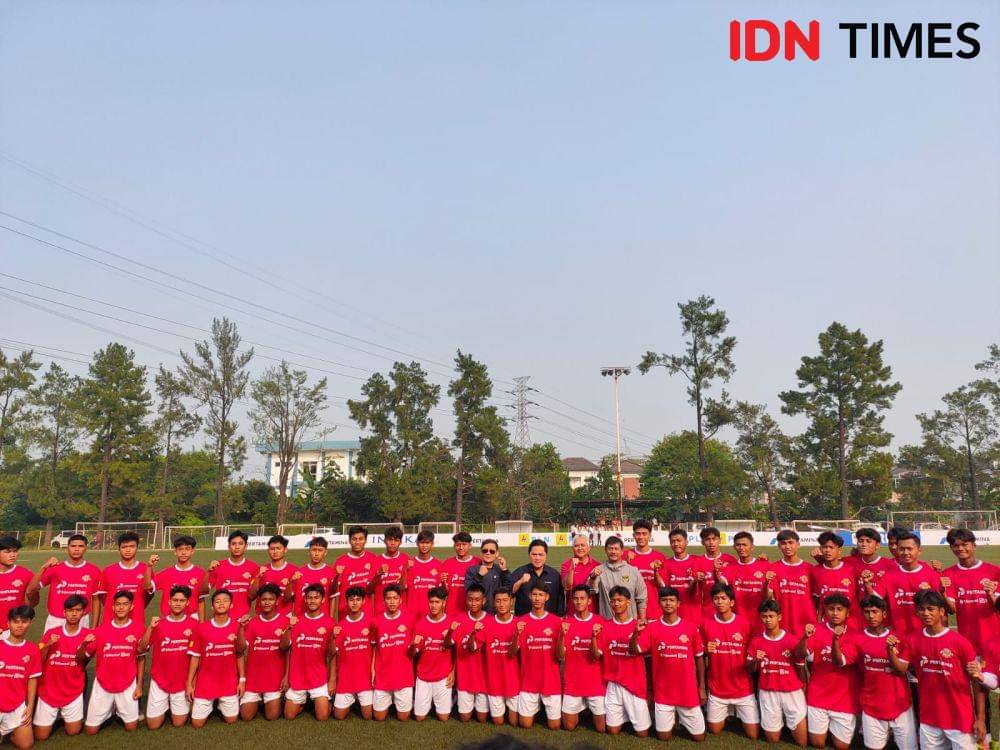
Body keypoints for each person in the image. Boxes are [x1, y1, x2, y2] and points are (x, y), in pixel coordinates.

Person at [905, 589, 985, 750]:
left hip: (960, 719)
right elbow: (901, 667)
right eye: (921, 609)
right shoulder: (913, 639)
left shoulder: (960, 642)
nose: (926, 613)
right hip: (929, 718)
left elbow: (977, 682)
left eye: (931, 609)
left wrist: (981, 719)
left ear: (942, 611)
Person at [634, 586, 706, 742]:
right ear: (659, 603)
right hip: (663, 691)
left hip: (687, 691)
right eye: (664, 600)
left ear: (679, 603)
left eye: (672, 600)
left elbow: (699, 658)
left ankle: (681, 717)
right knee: (663, 737)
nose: (668, 603)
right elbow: (637, 650)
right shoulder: (652, 627)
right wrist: (635, 633)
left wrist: (701, 687)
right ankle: (672, 718)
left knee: (699, 737)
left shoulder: (691, 628)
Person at [850, 594, 917, 750]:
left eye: (875, 611)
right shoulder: (857, 638)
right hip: (871, 704)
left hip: (900, 705)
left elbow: (901, 671)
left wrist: (891, 652)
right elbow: (843, 662)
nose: (871, 616)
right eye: (867, 612)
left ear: (884, 614)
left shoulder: (899, 638)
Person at [797, 594, 860, 750]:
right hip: (818, 695)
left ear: (848, 613)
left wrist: (835, 640)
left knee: (841, 746)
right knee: (817, 743)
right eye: (831, 609)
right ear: (825, 611)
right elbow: (800, 654)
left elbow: (840, 662)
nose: (835, 613)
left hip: (844, 699)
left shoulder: (855, 634)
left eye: (840, 609)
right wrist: (805, 638)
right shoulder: (816, 629)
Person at [80, 590, 145, 734]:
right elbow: (83, 657)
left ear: (132, 607)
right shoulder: (100, 630)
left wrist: (139, 685)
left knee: (131, 728)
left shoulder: (139, 628)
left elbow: (141, 658)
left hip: (127, 683)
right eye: (118, 604)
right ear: (113, 607)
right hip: (103, 683)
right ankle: (111, 709)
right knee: (90, 730)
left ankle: (117, 708)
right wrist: (83, 645)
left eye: (125, 604)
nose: (121, 607)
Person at [701, 583, 759, 739]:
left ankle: (738, 711)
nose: (719, 602)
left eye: (723, 598)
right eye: (716, 599)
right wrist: (706, 649)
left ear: (732, 602)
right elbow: (699, 651)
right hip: (718, 688)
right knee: (714, 729)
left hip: (743, 688)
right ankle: (728, 712)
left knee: (753, 735)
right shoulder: (705, 623)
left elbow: (752, 654)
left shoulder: (745, 624)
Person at [592, 586, 650, 737]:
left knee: (642, 733)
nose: (616, 604)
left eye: (620, 600)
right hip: (613, 684)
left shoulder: (640, 626)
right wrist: (593, 638)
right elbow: (597, 655)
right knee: (612, 730)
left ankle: (633, 717)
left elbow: (635, 650)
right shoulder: (605, 626)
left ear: (628, 602)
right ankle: (625, 717)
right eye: (613, 601)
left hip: (634, 683)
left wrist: (636, 632)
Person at [747, 599, 807, 747]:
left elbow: (800, 667)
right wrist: (754, 659)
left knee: (802, 742)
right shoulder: (756, 641)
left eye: (771, 616)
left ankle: (790, 721)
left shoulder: (792, 640)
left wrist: (804, 686)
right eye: (764, 616)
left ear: (779, 617)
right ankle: (781, 722)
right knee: (772, 739)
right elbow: (749, 669)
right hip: (768, 692)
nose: (767, 620)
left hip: (791, 692)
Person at [34, 595, 88, 740]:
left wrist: (84, 645)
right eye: (70, 610)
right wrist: (48, 645)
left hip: (73, 691)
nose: (74, 614)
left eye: (78, 610)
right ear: (64, 613)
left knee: (73, 731)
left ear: (83, 612)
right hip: (49, 690)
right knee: (40, 736)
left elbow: (82, 661)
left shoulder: (87, 635)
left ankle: (66, 714)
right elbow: (39, 660)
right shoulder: (51, 633)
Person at [186, 589, 243, 727]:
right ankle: (211, 703)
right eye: (217, 601)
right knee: (197, 724)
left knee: (231, 720)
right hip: (206, 683)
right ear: (212, 607)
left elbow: (240, 654)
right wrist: (189, 682)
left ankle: (219, 703)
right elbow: (195, 657)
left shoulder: (237, 626)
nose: (221, 603)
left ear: (231, 605)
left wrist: (242, 680)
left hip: (228, 682)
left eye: (225, 601)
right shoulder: (201, 628)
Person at [141, 585, 196, 729]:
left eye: (182, 601)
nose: (178, 603)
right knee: (153, 725)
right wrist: (150, 628)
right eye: (175, 600)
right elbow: (141, 648)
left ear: (187, 603)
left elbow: (198, 656)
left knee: (178, 723)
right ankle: (165, 705)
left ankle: (177, 704)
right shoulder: (158, 624)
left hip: (182, 681)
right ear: (169, 602)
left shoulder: (194, 624)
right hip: (160, 679)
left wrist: (192, 682)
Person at [511, 581, 561, 730]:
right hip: (529, 681)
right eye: (534, 595)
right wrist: (516, 635)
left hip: (550, 681)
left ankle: (541, 707)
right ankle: (536, 707)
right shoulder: (522, 622)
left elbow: (560, 656)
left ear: (547, 597)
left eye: (541, 595)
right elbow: (513, 652)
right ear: (529, 596)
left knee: (555, 726)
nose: (537, 598)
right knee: (525, 725)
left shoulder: (556, 622)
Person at [942, 527, 1000, 656]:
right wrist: (943, 593)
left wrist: (990, 594)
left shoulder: (994, 571)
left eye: (964, 544)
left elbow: (998, 608)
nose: (960, 548)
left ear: (974, 545)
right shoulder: (948, 574)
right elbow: (953, 609)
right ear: (951, 548)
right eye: (955, 545)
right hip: (968, 641)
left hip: (995, 639)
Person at [877, 531, 943, 640]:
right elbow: (875, 599)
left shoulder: (931, 574)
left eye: (909, 549)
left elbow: (941, 608)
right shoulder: (888, 575)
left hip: (927, 635)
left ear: (919, 551)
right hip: (899, 636)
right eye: (902, 549)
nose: (905, 552)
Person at [283, 583, 335, 721]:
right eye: (309, 598)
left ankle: (326, 703)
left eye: (316, 598)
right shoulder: (296, 621)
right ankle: (305, 702)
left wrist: (332, 680)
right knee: (288, 716)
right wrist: (288, 628)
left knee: (322, 716)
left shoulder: (329, 623)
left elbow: (333, 655)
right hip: (298, 677)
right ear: (305, 600)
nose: (312, 600)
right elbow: (286, 648)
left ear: (323, 600)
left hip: (318, 677)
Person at [237, 583, 288, 722]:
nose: (267, 602)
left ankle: (282, 699)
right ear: (259, 601)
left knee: (271, 717)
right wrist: (241, 629)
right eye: (264, 599)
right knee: (246, 716)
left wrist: (286, 676)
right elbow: (240, 649)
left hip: (274, 678)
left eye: (271, 599)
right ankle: (259, 699)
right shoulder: (252, 622)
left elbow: (289, 651)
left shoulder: (285, 622)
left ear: (277, 601)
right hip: (254, 679)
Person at [27, 535, 100, 631]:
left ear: (86, 548)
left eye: (80, 546)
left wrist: (94, 627)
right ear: (67, 548)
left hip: (81, 619)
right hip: (56, 620)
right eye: (73, 546)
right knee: (49, 645)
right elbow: (31, 590)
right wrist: (44, 567)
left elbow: (95, 600)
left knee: (80, 646)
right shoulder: (55, 569)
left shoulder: (94, 570)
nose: (77, 549)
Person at [559, 584, 605, 732]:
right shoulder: (567, 623)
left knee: (602, 728)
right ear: (572, 601)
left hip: (595, 684)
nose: (579, 602)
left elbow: (596, 656)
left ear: (589, 601)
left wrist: (593, 638)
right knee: (569, 726)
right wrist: (562, 636)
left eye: (582, 598)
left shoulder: (600, 622)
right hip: (573, 683)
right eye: (576, 599)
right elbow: (560, 656)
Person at [477, 587, 520, 726]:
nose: (501, 604)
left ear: (512, 602)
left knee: (515, 722)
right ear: (494, 603)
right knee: (498, 722)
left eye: (505, 600)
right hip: (494, 681)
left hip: (514, 681)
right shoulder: (487, 623)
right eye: (498, 601)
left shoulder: (519, 624)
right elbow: (473, 648)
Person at [411, 586, 455, 721]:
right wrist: (413, 645)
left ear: (444, 602)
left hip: (443, 676)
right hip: (423, 676)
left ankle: (453, 696)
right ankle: (426, 699)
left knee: (443, 718)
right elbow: (413, 654)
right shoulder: (420, 624)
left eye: (437, 602)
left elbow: (456, 651)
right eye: (431, 602)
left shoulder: (451, 623)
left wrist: (453, 671)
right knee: (419, 717)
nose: (434, 605)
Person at [372, 584, 414, 722]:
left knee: (403, 718)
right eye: (388, 598)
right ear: (384, 601)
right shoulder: (376, 621)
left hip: (403, 675)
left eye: (395, 598)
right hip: (383, 675)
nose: (392, 601)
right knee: (378, 717)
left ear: (400, 600)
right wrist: (373, 669)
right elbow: (374, 647)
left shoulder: (409, 619)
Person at [0, 605, 40, 750]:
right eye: (15, 622)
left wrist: (29, 706)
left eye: (23, 621)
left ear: (30, 623)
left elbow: (33, 679)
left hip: (16, 705)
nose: (19, 625)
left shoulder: (33, 650)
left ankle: (9, 732)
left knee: (26, 744)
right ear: (8, 623)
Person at [332, 586, 374, 719]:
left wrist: (374, 670)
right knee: (338, 715)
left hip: (365, 678)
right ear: (347, 602)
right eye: (351, 600)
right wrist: (333, 678)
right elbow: (334, 654)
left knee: (368, 716)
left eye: (358, 599)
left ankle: (360, 699)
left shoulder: (371, 622)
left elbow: (376, 648)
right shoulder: (341, 626)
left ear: (363, 602)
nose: (355, 602)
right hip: (346, 678)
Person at [763, 529, 814, 636]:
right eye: (783, 543)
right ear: (779, 546)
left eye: (791, 542)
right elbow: (769, 597)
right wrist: (766, 582)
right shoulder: (773, 568)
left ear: (798, 544)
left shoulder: (809, 568)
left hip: (806, 622)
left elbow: (817, 598)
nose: (787, 546)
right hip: (783, 622)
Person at [450, 584, 489, 722]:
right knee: (465, 718)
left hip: (483, 678)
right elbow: (452, 649)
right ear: (466, 600)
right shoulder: (458, 620)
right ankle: (456, 697)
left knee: (482, 718)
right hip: (465, 676)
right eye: (470, 599)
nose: (473, 603)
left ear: (484, 600)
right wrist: (452, 671)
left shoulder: (490, 620)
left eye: (477, 600)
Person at [716, 531, 768, 632]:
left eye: (744, 545)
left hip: (760, 619)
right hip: (738, 618)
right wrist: (717, 572)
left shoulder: (764, 566)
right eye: (738, 545)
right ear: (734, 547)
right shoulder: (730, 567)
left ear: (752, 547)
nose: (741, 548)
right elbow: (723, 583)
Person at [145, 536, 206, 620]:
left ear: (192, 551)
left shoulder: (200, 573)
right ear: (175, 552)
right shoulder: (166, 573)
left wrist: (201, 623)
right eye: (180, 549)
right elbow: (148, 587)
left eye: (187, 549)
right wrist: (149, 566)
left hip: (191, 619)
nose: (183, 552)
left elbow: (201, 600)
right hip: (169, 619)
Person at [810, 532, 861, 628]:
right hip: (827, 623)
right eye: (824, 547)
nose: (828, 551)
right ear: (820, 549)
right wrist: (819, 619)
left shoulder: (852, 569)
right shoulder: (815, 571)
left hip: (852, 623)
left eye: (831, 547)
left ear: (839, 550)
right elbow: (819, 598)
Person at [589, 536, 647, 621]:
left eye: (616, 549)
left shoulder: (633, 571)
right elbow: (592, 590)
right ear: (605, 550)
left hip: (630, 623)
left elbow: (641, 597)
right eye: (610, 549)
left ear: (622, 551)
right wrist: (593, 578)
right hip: (608, 623)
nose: (613, 552)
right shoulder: (598, 570)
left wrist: (642, 619)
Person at [95, 532, 148, 624]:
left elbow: (149, 594)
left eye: (132, 546)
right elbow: (102, 596)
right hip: (111, 621)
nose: (128, 550)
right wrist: (113, 607)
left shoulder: (145, 569)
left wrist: (139, 605)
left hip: (136, 620)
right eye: (124, 547)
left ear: (137, 548)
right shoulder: (108, 570)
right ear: (119, 549)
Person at [208, 530, 260, 620]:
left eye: (240, 543)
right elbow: (204, 590)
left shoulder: (253, 567)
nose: (237, 547)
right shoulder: (218, 566)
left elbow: (253, 595)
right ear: (229, 546)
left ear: (246, 546)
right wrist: (208, 572)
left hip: (243, 618)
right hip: (222, 618)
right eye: (233, 544)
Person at [625, 520, 667, 618]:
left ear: (650, 536)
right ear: (633, 535)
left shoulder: (659, 557)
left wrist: (655, 571)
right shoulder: (625, 556)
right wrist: (626, 563)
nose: (641, 537)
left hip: (654, 611)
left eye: (644, 534)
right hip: (631, 613)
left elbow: (662, 585)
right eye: (638, 534)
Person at [660, 527, 702, 624]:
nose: (676, 544)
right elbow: (663, 587)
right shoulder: (666, 563)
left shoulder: (697, 561)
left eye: (679, 541)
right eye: (673, 541)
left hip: (694, 614)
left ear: (686, 542)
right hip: (673, 616)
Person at [334, 526, 378, 619]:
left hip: (366, 613)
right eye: (354, 539)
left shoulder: (373, 559)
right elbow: (334, 591)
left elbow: (373, 589)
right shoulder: (340, 562)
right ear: (349, 540)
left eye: (360, 539)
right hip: (345, 612)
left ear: (365, 540)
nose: (357, 542)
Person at [510, 540, 563, 617]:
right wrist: (520, 582)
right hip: (524, 622)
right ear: (529, 555)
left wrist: (560, 617)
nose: (537, 558)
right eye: (534, 554)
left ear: (546, 555)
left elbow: (560, 598)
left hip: (549, 624)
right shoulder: (519, 572)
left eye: (541, 554)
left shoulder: (554, 574)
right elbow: (508, 595)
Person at [285, 537, 335, 616]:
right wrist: (290, 582)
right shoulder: (299, 573)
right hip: (301, 620)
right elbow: (287, 598)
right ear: (309, 551)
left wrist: (331, 619)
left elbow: (333, 598)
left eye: (320, 550)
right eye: (314, 550)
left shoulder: (331, 573)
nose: (316, 553)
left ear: (325, 552)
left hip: (322, 621)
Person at [698, 527, 738, 621]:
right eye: (707, 539)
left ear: (719, 540)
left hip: (729, 612)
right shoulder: (698, 561)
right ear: (702, 542)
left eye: (714, 539)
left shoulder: (730, 560)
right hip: (707, 612)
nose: (711, 542)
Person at [251, 535, 297, 615]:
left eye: (278, 548)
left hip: (284, 617)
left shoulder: (294, 571)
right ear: (268, 550)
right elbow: (252, 595)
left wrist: (290, 583)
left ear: (285, 550)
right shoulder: (261, 570)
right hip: (263, 616)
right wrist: (257, 578)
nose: (275, 551)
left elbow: (289, 598)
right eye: (272, 549)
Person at [0, 537, 35, 637]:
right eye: (7, 552)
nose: (12, 555)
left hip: (13, 630)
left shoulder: (25, 574)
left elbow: (34, 599)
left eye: (15, 551)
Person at [372, 527, 409, 615]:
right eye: (390, 540)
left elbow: (403, 588)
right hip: (381, 610)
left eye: (396, 540)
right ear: (384, 541)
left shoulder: (406, 559)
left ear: (400, 542)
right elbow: (370, 590)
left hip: (400, 611)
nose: (392, 543)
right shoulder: (376, 560)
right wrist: (378, 574)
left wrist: (404, 573)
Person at [466, 539, 510, 613]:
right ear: (481, 553)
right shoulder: (472, 570)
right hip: (478, 614)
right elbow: (468, 590)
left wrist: (505, 570)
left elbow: (509, 589)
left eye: (492, 551)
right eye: (485, 551)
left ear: (496, 554)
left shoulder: (500, 570)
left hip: (497, 614)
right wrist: (479, 576)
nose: (488, 553)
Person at [851, 527, 893, 601]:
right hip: (857, 611)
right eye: (861, 541)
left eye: (868, 541)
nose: (864, 544)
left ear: (877, 545)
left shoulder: (890, 565)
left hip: (881, 610)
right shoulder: (849, 562)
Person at [443, 532, 479, 616]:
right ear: (454, 546)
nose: (461, 547)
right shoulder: (447, 563)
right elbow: (445, 591)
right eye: (458, 545)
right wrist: (443, 584)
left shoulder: (478, 562)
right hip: (451, 611)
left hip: (472, 612)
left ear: (470, 545)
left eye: (464, 544)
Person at [560, 535, 598, 613]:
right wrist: (571, 569)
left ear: (589, 548)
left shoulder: (597, 565)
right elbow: (567, 586)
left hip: (593, 612)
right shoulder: (566, 565)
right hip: (572, 612)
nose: (580, 548)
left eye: (583, 545)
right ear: (573, 548)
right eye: (576, 546)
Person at [407, 531, 440, 618]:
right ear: (417, 543)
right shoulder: (410, 564)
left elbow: (441, 593)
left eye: (427, 543)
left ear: (432, 544)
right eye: (422, 542)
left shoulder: (439, 565)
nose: (424, 545)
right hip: (412, 613)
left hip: (432, 614)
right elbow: (403, 588)